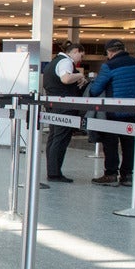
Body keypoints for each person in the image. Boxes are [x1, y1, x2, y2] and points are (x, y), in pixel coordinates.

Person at [90, 39, 135, 186]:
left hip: (113, 110)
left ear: (109, 52)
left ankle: (111, 174)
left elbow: (95, 90)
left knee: (110, 143)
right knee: (129, 143)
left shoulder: (109, 66)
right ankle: (127, 175)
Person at [43, 41, 87, 183]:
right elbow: (66, 78)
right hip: (64, 107)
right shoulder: (66, 62)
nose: (81, 59)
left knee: (53, 137)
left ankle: (52, 170)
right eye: (81, 55)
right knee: (60, 139)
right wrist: (79, 75)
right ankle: (55, 173)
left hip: (52, 105)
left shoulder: (53, 62)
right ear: (75, 51)